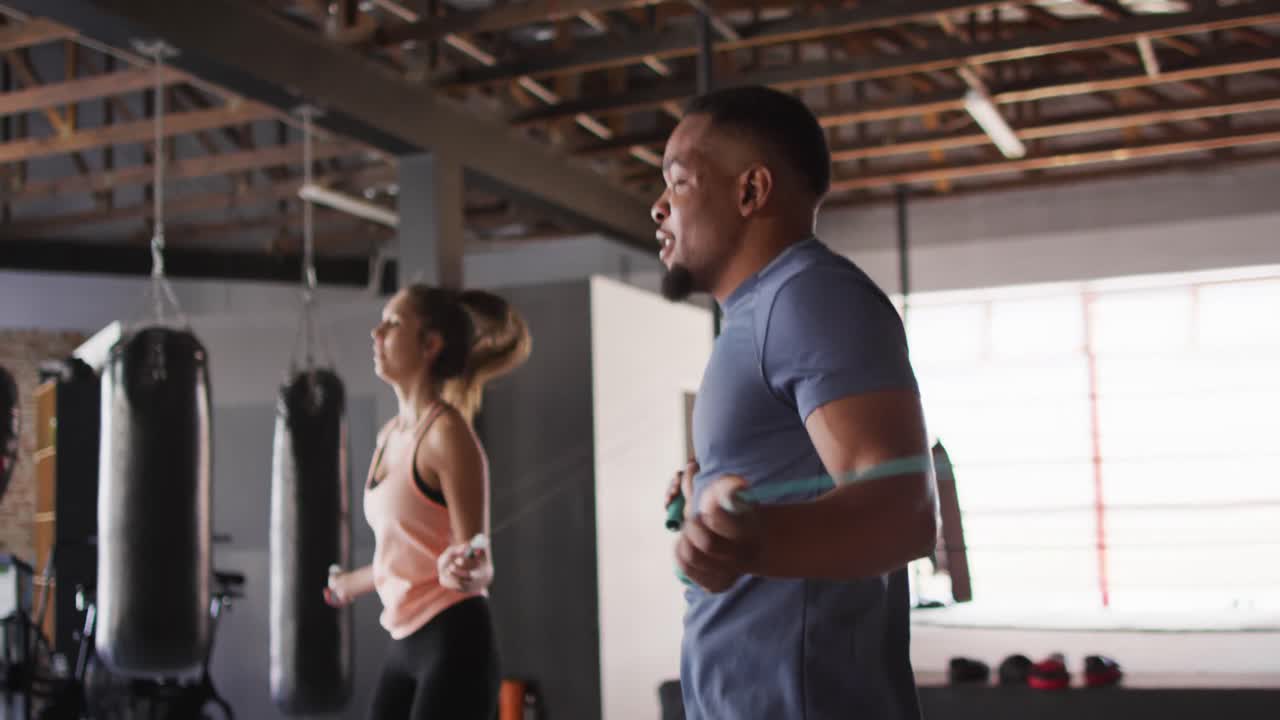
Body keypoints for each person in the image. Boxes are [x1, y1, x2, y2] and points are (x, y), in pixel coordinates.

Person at [655, 85, 939, 719]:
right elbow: (800, 483)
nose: (658, 207)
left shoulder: (808, 296)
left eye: (677, 183)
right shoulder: (760, 311)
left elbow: (904, 512)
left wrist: (749, 543)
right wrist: (707, 495)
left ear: (751, 191)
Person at [324, 284, 531, 719]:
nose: (376, 333)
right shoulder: (389, 437)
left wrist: (466, 567)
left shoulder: (447, 436)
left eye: (393, 323)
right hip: (404, 641)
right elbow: (401, 557)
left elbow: (479, 558)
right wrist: (348, 585)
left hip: (454, 640)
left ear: (431, 344)